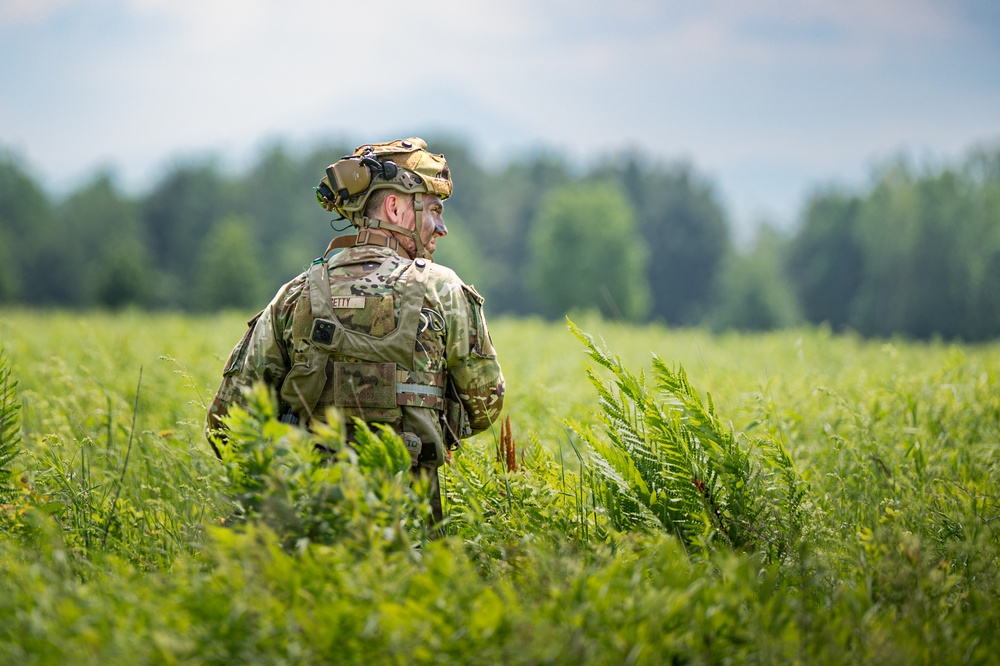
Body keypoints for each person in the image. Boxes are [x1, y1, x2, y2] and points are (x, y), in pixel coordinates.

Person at [205, 137, 505, 522]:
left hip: (304, 527)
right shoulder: (442, 289)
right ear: (395, 207)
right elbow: (485, 404)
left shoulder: (295, 293)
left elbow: (225, 423)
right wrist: (425, 420)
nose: (441, 227)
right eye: (433, 209)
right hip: (404, 527)